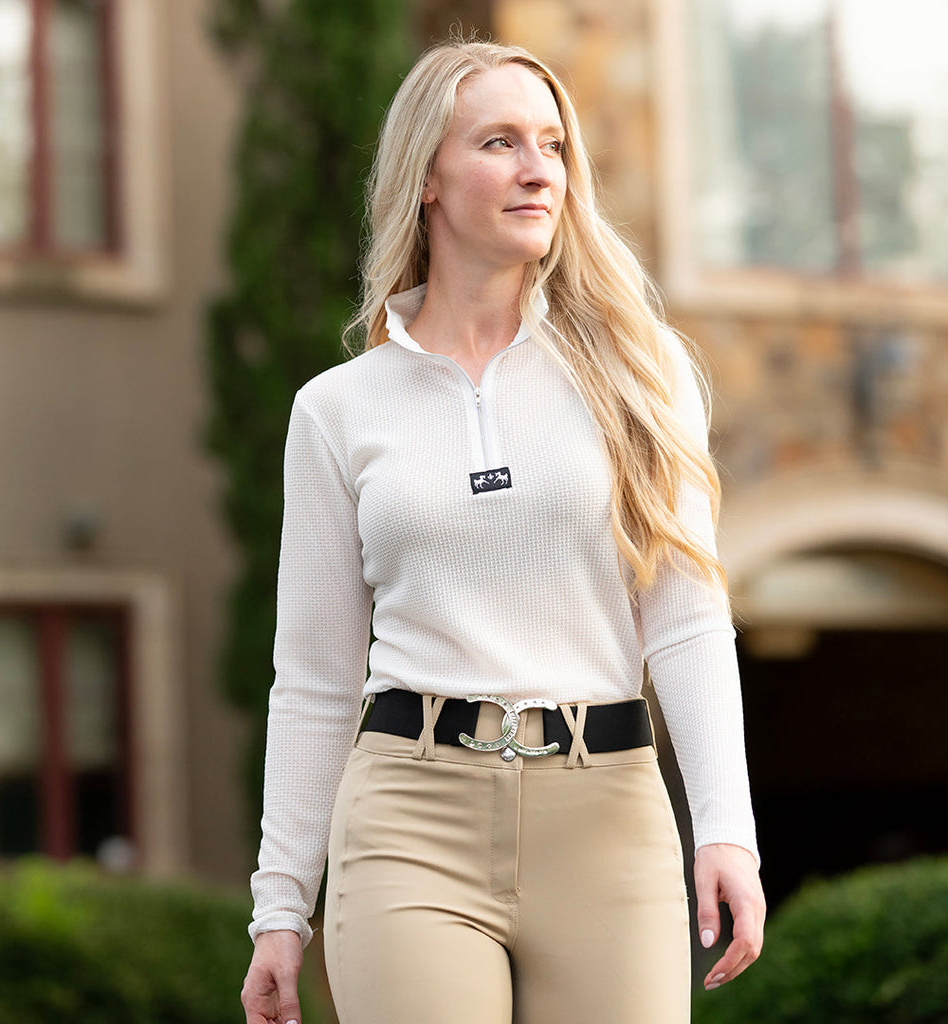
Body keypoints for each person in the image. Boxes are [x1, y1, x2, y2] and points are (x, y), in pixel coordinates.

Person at [241, 37, 765, 1024]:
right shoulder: (338, 410)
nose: (537, 170)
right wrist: (281, 908)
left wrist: (725, 831)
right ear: (426, 179)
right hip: (408, 815)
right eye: (498, 142)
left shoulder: (637, 373)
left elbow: (688, 621)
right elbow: (312, 677)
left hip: (607, 814)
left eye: (552, 145)